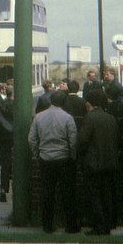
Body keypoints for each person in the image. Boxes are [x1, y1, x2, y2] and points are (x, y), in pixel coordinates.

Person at [29, 90, 79, 233]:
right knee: (67, 193)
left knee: (47, 193)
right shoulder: (68, 118)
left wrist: (37, 154)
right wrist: (72, 155)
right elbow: (73, 140)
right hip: (64, 158)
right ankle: (70, 225)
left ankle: (47, 225)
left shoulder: (39, 117)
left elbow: (31, 139)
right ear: (64, 102)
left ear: (51, 101)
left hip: (45, 158)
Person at [77, 89, 119, 235]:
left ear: (90, 102)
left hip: (93, 163)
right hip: (110, 162)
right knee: (106, 194)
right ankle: (108, 224)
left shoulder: (90, 118)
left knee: (94, 196)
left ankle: (99, 226)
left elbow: (82, 140)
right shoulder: (111, 118)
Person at [0, 85, 14, 202]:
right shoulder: (16, 105)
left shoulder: (0, 105)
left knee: (4, 165)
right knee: (16, 164)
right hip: (14, 137)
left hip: (2, 137)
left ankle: (3, 189)